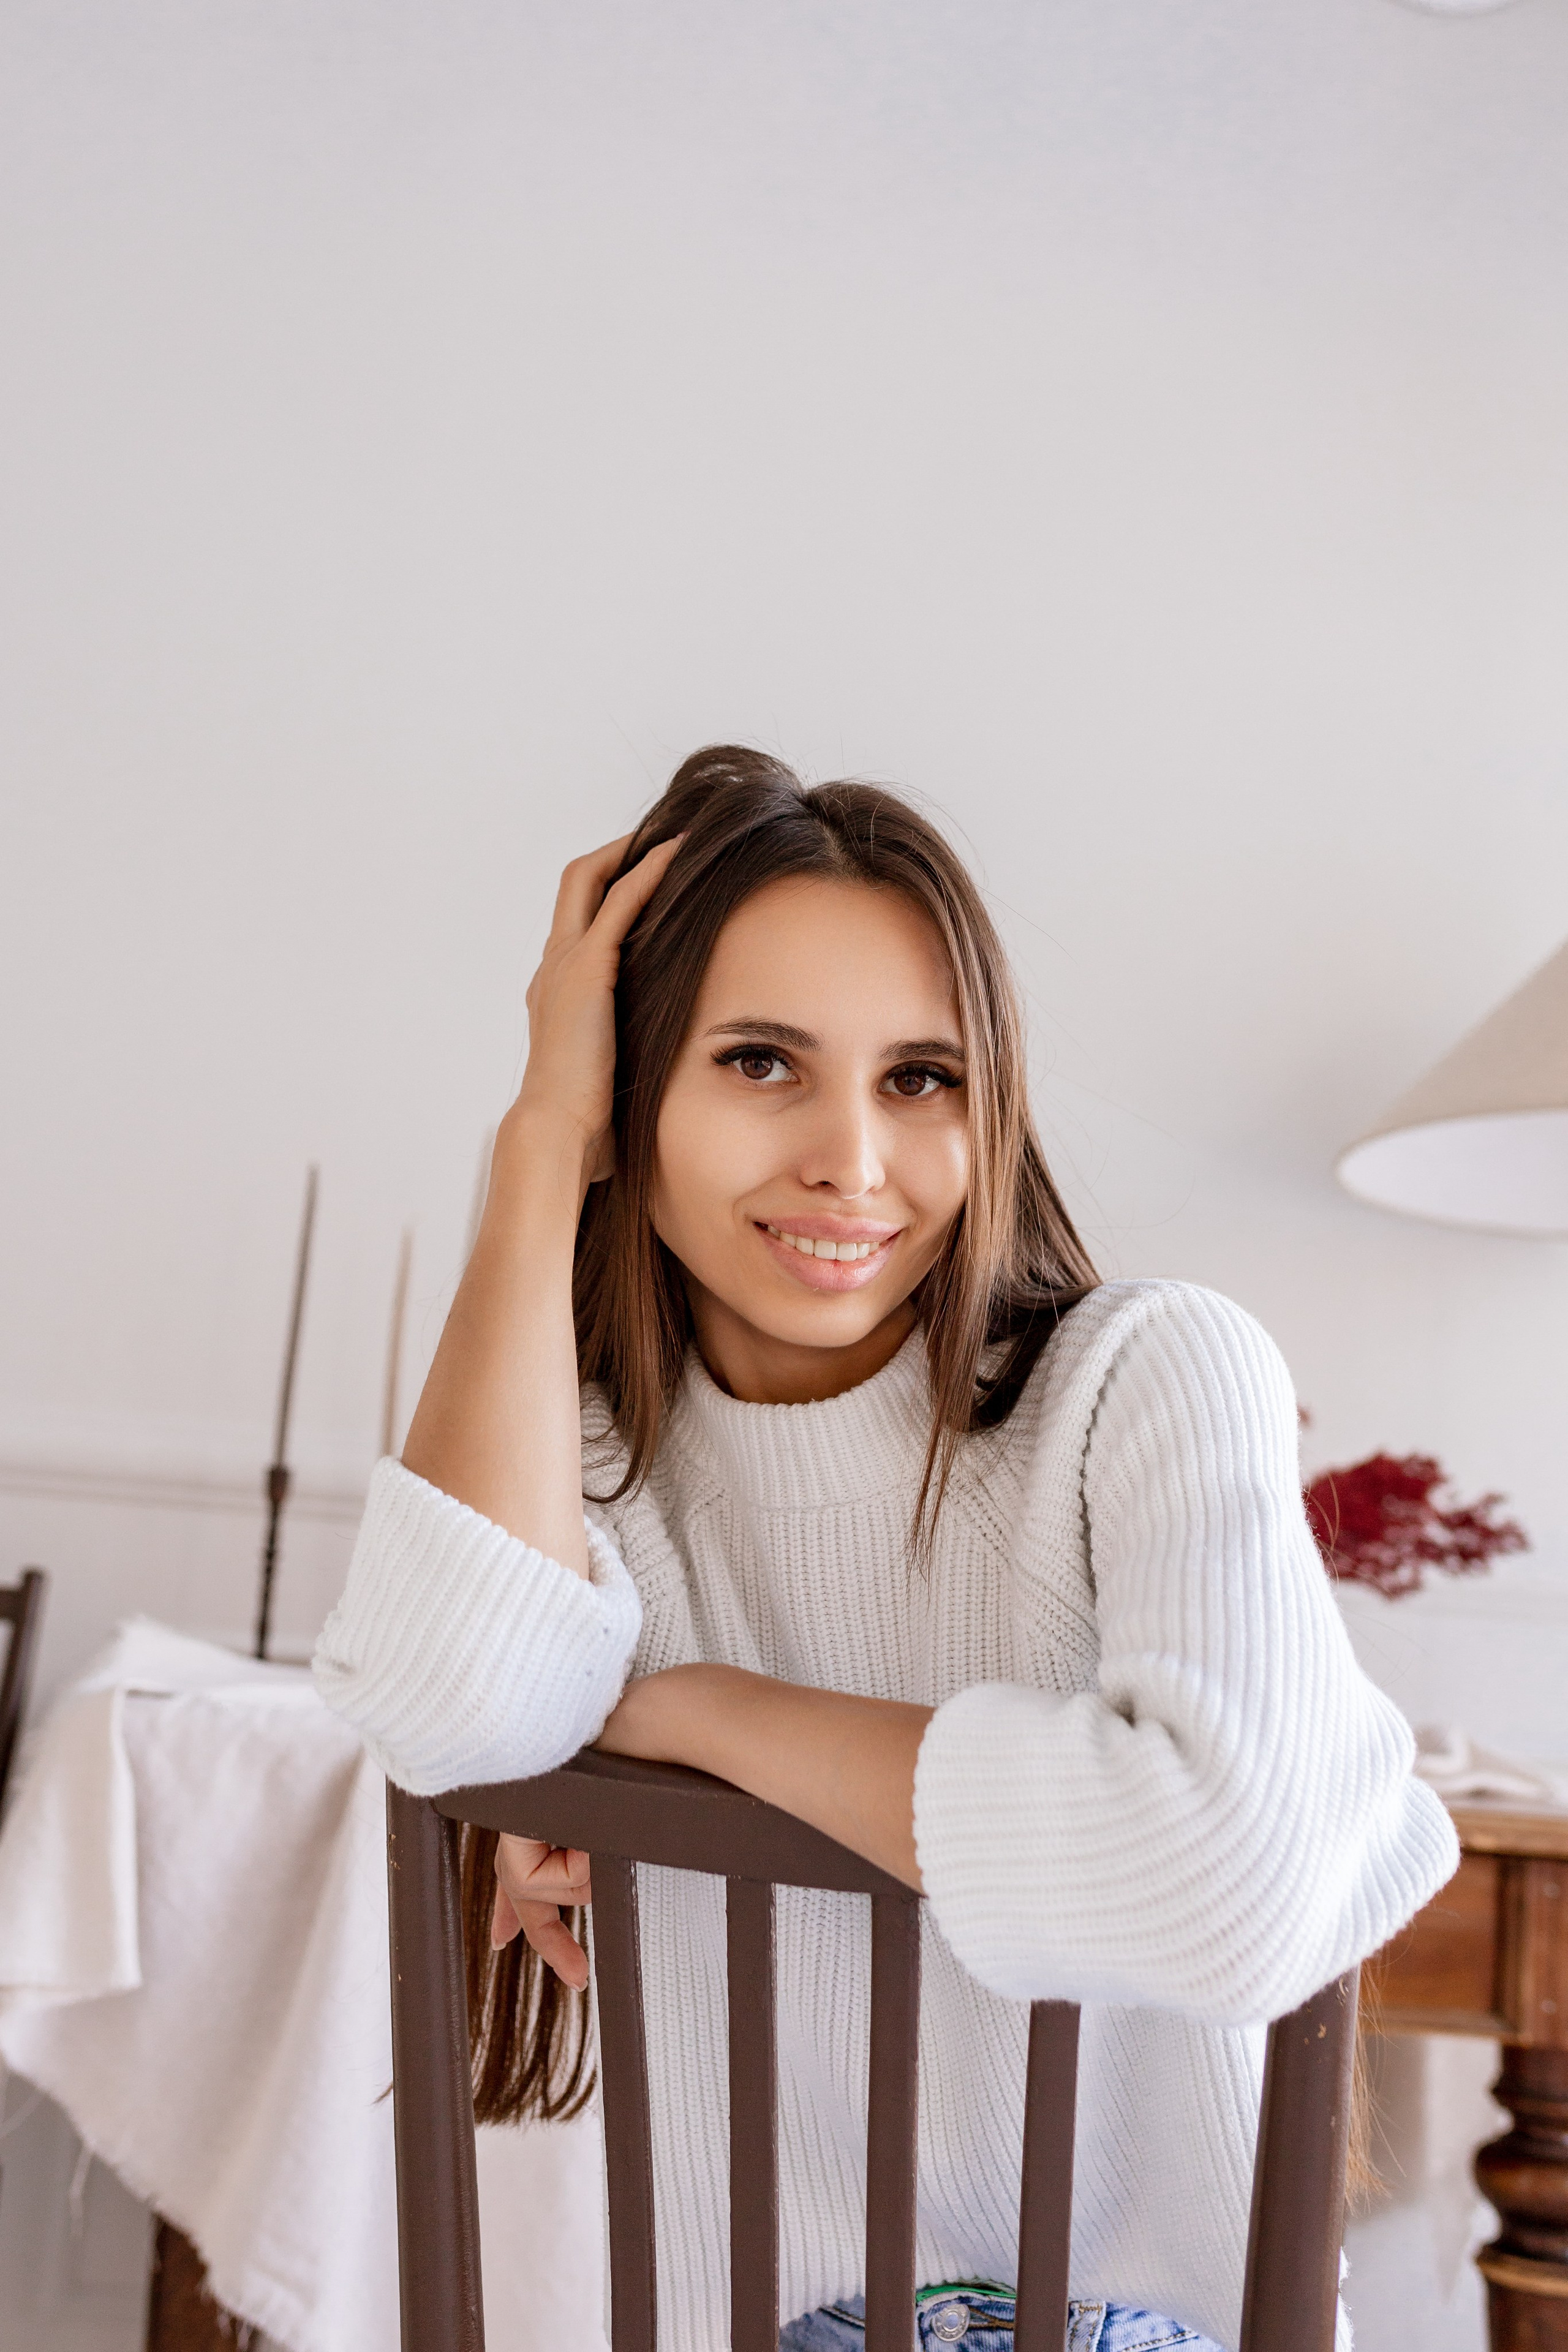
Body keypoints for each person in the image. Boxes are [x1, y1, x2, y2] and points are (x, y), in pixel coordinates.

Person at [315, 746, 1457, 2352]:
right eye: (759, 1061)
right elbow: (453, 1723)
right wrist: (540, 1139)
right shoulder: (580, 1471)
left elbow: (1228, 1885)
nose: (851, 1159)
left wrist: (685, 1709)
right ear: (634, 1096)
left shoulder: (1145, 1381)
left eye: (921, 1079)